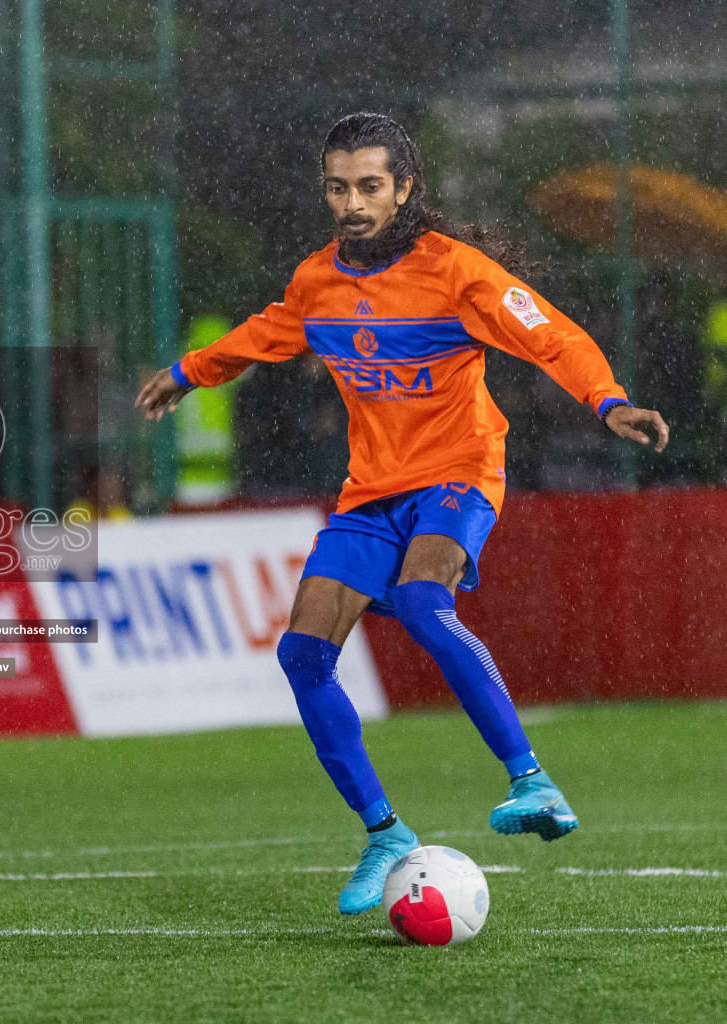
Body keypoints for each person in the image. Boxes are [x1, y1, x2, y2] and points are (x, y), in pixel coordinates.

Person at [135, 113, 670, 916]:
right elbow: (267, 333)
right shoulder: (318, 280)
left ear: (405, 190)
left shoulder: (458, 273)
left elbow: (551, 335)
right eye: (338, 187)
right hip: (370, 493)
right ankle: (384, 831)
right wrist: (189, 370)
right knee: (302, 655)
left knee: (423, 601)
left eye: (370, 187)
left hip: (457, 475)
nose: (352, 202)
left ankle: (534, 781)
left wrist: (609, 400)